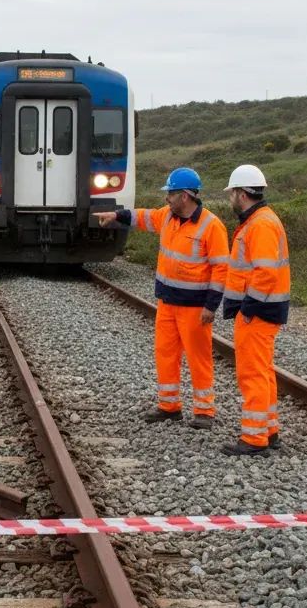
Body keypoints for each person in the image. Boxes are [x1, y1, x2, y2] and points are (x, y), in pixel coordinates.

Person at [96, 167, 229, 428]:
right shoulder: (167, 217)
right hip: (167, 303)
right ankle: (169, 406)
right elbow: (142, 217)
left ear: (185, 196)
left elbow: (221, 268)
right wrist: (115, 215)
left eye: (171, 193)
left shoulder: (212, 226)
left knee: (198, 357)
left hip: (194, 307)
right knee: (165, 354)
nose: (166, 198)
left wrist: (211, 306)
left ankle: (205, 411)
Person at [220, 164, 290, 457]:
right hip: (263, 309)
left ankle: (254, 438)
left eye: (232, 193)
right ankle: (269, 431)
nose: (230, 199)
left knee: (252, 374)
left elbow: (265, 272)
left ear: (240, 193)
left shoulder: (260, 224)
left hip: (259, 311)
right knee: (262, 371)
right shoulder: (259, 220)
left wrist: (248, 307)